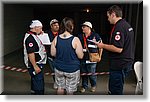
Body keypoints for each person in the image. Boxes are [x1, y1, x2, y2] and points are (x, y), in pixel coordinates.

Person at [93, 5, 135, 95]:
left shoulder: (119, 27)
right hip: (125, 63)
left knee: (115, 91)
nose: (108, 19)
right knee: (117, 88)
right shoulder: (126, 25)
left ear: (113, 14)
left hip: (119, 65)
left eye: (108, 16)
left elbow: (118, 48)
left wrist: (102, 45)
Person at [51, 17, 83, 95]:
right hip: (72, 69)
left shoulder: (56, 38)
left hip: (59, 68)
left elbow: (53, 54)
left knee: (60, 87)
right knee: (70, 90)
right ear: (71, 26)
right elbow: (80, 56)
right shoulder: (75, 39)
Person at [23, 20, 47, 95]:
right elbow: (31, 53)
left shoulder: (33, 35)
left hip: (37, 63)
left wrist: (40, 33)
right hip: (35, 65)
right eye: (40, 28)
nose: (41, 30)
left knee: (35, 83)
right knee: (38, 86)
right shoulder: (30, 38)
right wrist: (35, 66)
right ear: (35, 27)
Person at [78, 21, 103, 93]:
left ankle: (93, 85)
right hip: (83, 58)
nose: (82, 28)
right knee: (84, 74)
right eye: (82, 27)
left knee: (92, 74)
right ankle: (84, 86)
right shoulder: (80, 36)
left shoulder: (96, 36)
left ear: (89, 28)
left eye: (84, 27)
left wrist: (100, 56)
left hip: (92, 59)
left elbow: (101, 47)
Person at [45, 19, 59, 89]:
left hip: (60, 56)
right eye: (55, 25)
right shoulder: (46, 34)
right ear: (51, 26)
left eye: (57, 25)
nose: (57, 26)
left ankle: (62, 83)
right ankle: (56, 82)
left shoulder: (62, 33)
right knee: (54, 70)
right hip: (51, 56)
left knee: (61, 70)